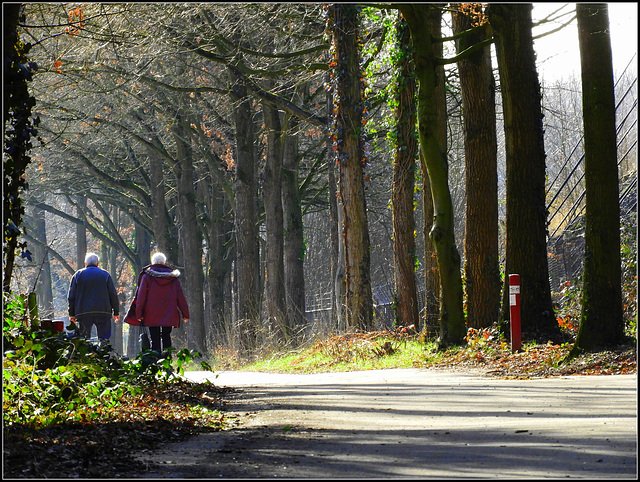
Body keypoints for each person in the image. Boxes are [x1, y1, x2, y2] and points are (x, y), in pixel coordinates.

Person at [134, 252, 189, 352]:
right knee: (166, 336)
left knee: (154, 337)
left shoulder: (147, 277)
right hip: (169, 312)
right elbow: (180, 296)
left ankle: (156, 361)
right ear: (163, 263)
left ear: (153, 263)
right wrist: (185, 313)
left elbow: (141, 296)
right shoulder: (173, 278)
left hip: (151, 313)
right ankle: (167, 360)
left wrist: (139, 313)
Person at [68, 252, 120, 343]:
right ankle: (104, 355)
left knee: (84, 339)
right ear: (97, 264)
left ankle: (85, 355)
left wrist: (71, 313)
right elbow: (113, 294)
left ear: (85, 263)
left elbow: (72, 296)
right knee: (104, 339)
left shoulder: (77, 275)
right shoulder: (105, 275)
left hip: (83, 312)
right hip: (103, 311)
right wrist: (116, 311)